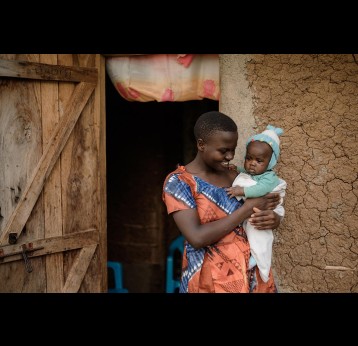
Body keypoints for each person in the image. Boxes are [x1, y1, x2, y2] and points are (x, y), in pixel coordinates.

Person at [162, 111, 283, 293]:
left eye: (233, 149)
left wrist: (273, 219)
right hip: (209, 281)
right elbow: (197, 237)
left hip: (252, 274)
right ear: (201, 144)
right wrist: (248, 208)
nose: (230, 156)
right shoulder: (179, 183)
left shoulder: (237, 175)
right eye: (223, 151)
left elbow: (265, 205)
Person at [225, 125, 287, 283]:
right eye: (248, 158)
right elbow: (245, 173)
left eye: (259, 160)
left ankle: (259, 261)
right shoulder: (252, 172)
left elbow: (262, 188)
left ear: (270, 162)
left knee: (259, 235)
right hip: (253, 210)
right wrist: (237, 168)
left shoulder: (270, 177)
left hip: (264, 211)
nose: (252, 163)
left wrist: (242, 191)